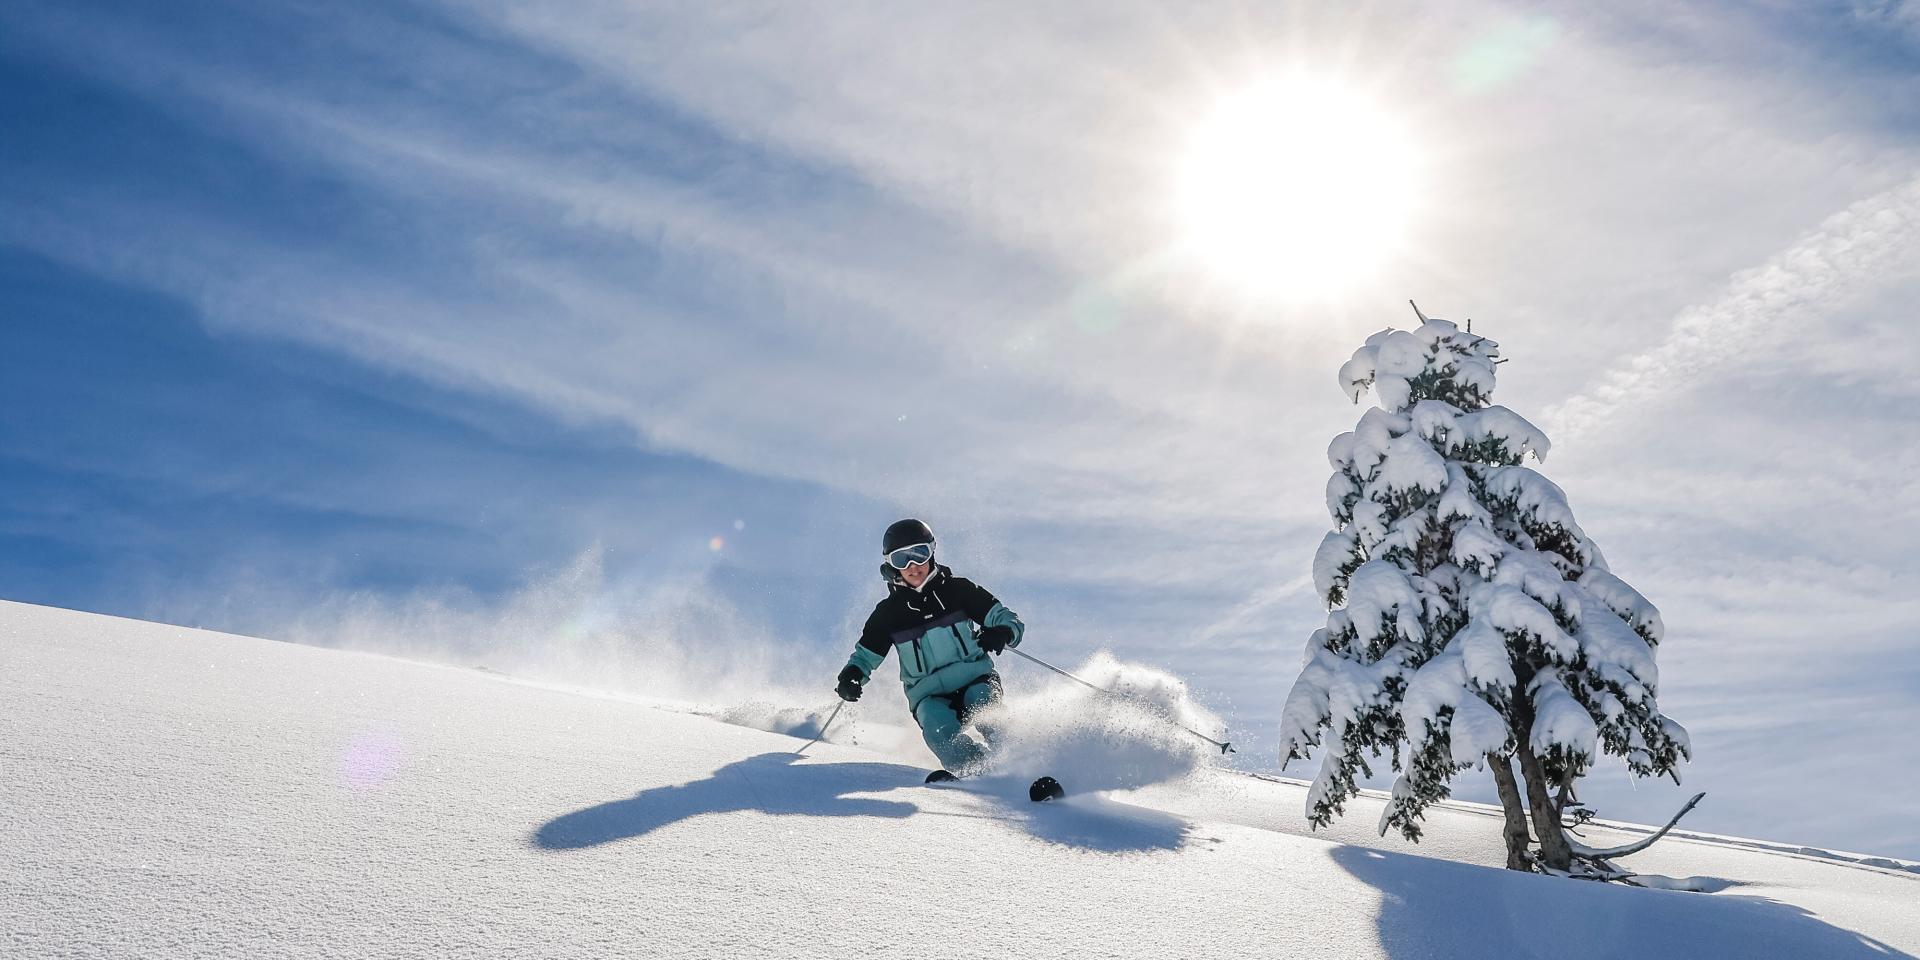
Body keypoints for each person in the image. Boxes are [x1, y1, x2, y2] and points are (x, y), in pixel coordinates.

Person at [834, 518, 1024, 778]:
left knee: (984, 704)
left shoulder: (959, 591)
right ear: (890, 564)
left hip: (975, 679)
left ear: (932, 552)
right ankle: (978, 776)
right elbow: (865, 656)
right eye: (902, 559)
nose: (913, 566)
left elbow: (1006, 619)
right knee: (936, 727)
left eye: (919, 554)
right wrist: (852, 675)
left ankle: (1017, 762)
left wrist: (1002, 632)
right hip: (929, 696)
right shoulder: (888, 614)